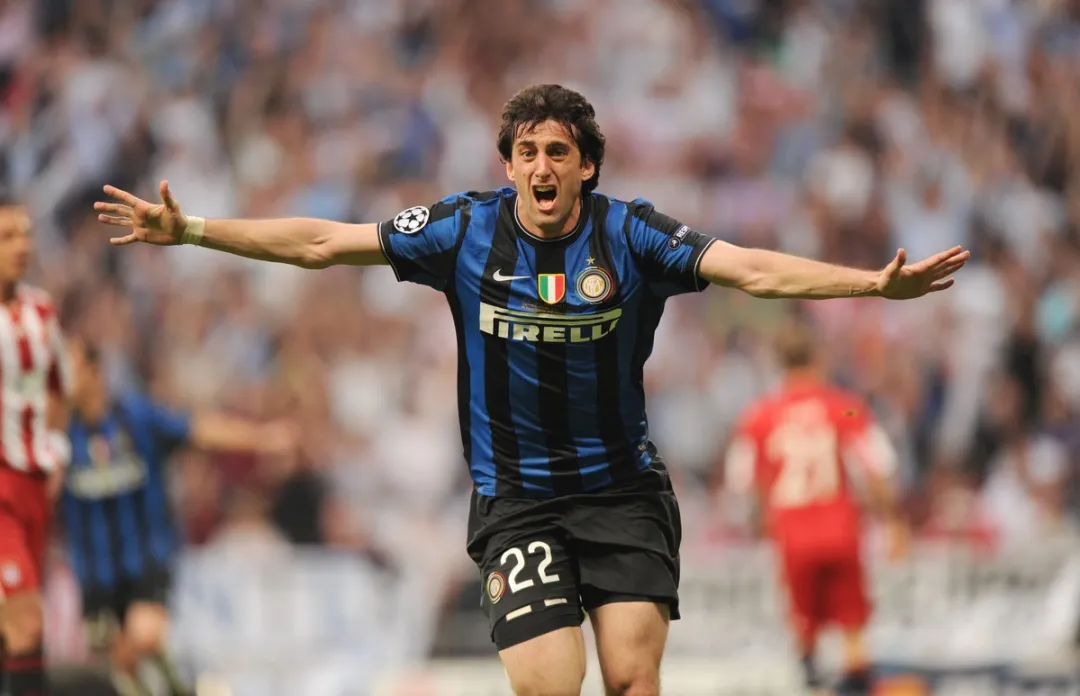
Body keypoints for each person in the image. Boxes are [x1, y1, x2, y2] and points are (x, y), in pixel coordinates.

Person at [94, 84, 967, 696]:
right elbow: (324, 243)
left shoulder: (633, 234)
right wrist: (194, 229)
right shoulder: (462, 228)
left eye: (558, 152)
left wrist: (870, 284)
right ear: (509, 166)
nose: (541, 166)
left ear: (586, 168)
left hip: (623, 495)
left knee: (633, 680)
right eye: (526, 152)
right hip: (518, 503)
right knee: (550, 686)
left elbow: (754, 270)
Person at [60, 337, 294, 696]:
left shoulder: (135, 418)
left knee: (144, 635)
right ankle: (182, 687)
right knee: (124, 671)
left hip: (147, 564)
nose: (61, 376)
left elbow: (198, 430)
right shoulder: (59, 434)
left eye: (70, 367)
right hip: (96, 577)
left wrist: (261, 438)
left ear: (95, 372)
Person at [723, 321, 910, 696]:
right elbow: (876, 466)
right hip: (841, 530)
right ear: (819, 358)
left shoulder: (759, 416)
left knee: (804, 630)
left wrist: (760, 521)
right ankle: (855, 680)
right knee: (853, 626)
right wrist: (893, 521)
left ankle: (811, 672)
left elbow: (740, 482)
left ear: (778, 361)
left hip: (792, 536)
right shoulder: (846, 407)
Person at [0, 198, 72, 696]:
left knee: (20, 628)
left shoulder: (41, 310)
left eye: (26, 234)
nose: (22, 245)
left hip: (35, 485)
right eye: (7, 236)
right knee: (26, 621)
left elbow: (58, 388)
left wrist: (58, 450)